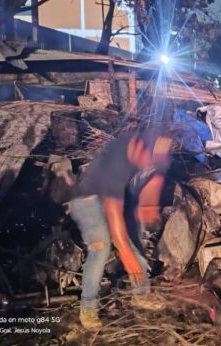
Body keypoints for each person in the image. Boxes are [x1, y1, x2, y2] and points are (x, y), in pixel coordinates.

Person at [68, 129, 172, 329]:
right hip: (86, 201)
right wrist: (128, 257)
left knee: (134, 239)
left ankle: (141, 294)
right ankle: (88, 308)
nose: (148, 165)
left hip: (113, 199)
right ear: (138, 149)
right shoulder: (117, 165)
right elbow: (117, 229)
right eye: (148, 159)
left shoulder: (145, 147)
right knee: (102, 246)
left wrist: (148, 206)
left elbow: (156, 176)